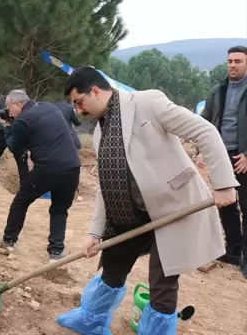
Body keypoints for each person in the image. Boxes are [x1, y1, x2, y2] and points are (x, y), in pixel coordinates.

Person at [56, 66, 237, 335]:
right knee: (112, 267)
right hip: (128, 215)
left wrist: (222, 183)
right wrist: (95, 231)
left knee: (162, 283)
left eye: (79, 102)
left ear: (95, 91)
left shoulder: (147, 102)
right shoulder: (98, 134)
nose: (79, 111)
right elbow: (106, 188)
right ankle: (92, 319)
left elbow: (205, 131)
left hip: (173, 209)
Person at [0, 90, 81, 261]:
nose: (9, 112)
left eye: (9, 108)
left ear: (16, 104)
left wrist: (6, 127)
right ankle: (56, 251)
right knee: (59, 209)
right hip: (73, 166)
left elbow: (15, 147)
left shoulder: (22, 121)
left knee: (21, 201)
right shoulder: (49, 107)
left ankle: (8, 240)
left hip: (48, 168)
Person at [201, 45, 247, 277]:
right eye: (230, 61)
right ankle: (233, 251)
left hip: (244, 157)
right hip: (221, 156)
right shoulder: (219, 90)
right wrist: (202, 149)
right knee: (226, 205)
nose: (233, 65)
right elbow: (205, 121)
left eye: (238, 61)